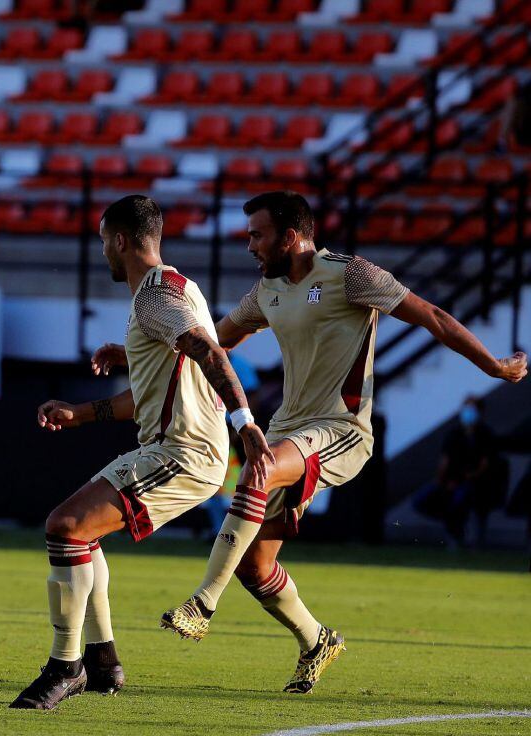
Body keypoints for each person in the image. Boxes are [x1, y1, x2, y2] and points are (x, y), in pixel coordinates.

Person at [162, 191, 527, 693]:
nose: (249, 245)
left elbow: (433, 317)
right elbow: (217, 339)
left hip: (341, 430)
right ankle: (316, 641)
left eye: (257, 235)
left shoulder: (350, 275)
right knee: (254, 565)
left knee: (256, 465)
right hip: (288, 428)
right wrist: (144, 352)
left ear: (290, 236)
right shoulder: (267, 290)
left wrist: (493, 366)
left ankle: (203, 601)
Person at [9, 195, 273, 711]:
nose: (103, 249)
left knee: (64, 525)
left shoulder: (154, 298)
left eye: (105, 239)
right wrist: (81, 412)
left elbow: (209, 349)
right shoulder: (177, 288)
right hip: (174, 445)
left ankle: (67, 667)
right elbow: (155, 390)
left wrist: (246, 423)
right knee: (81, 532)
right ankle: (104, 661)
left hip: (186, 452)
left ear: (122, 241)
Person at [413, 397, 507, 547]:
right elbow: (445, 461)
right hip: (452, 482)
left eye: (472, 409)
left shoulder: (485, 434)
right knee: (424, 500)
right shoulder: (454, 434)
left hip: (476, 484)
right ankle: (454, 531)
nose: (468, 413)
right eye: (466, 409)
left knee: (460, 499)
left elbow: (484, 465)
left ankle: (465, 537)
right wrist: (443, 481)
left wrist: (462, 479)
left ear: (480, 412)